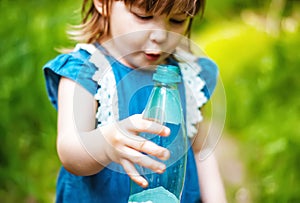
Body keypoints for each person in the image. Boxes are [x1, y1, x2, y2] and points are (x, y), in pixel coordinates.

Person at [43, 0, 227, 202]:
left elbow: (201, 151)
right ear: (103, 4)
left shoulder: (183, 76)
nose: (160, 36)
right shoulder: (86, 71)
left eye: (176, 20)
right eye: (144, 16)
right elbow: (71, 152)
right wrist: (106, 144)